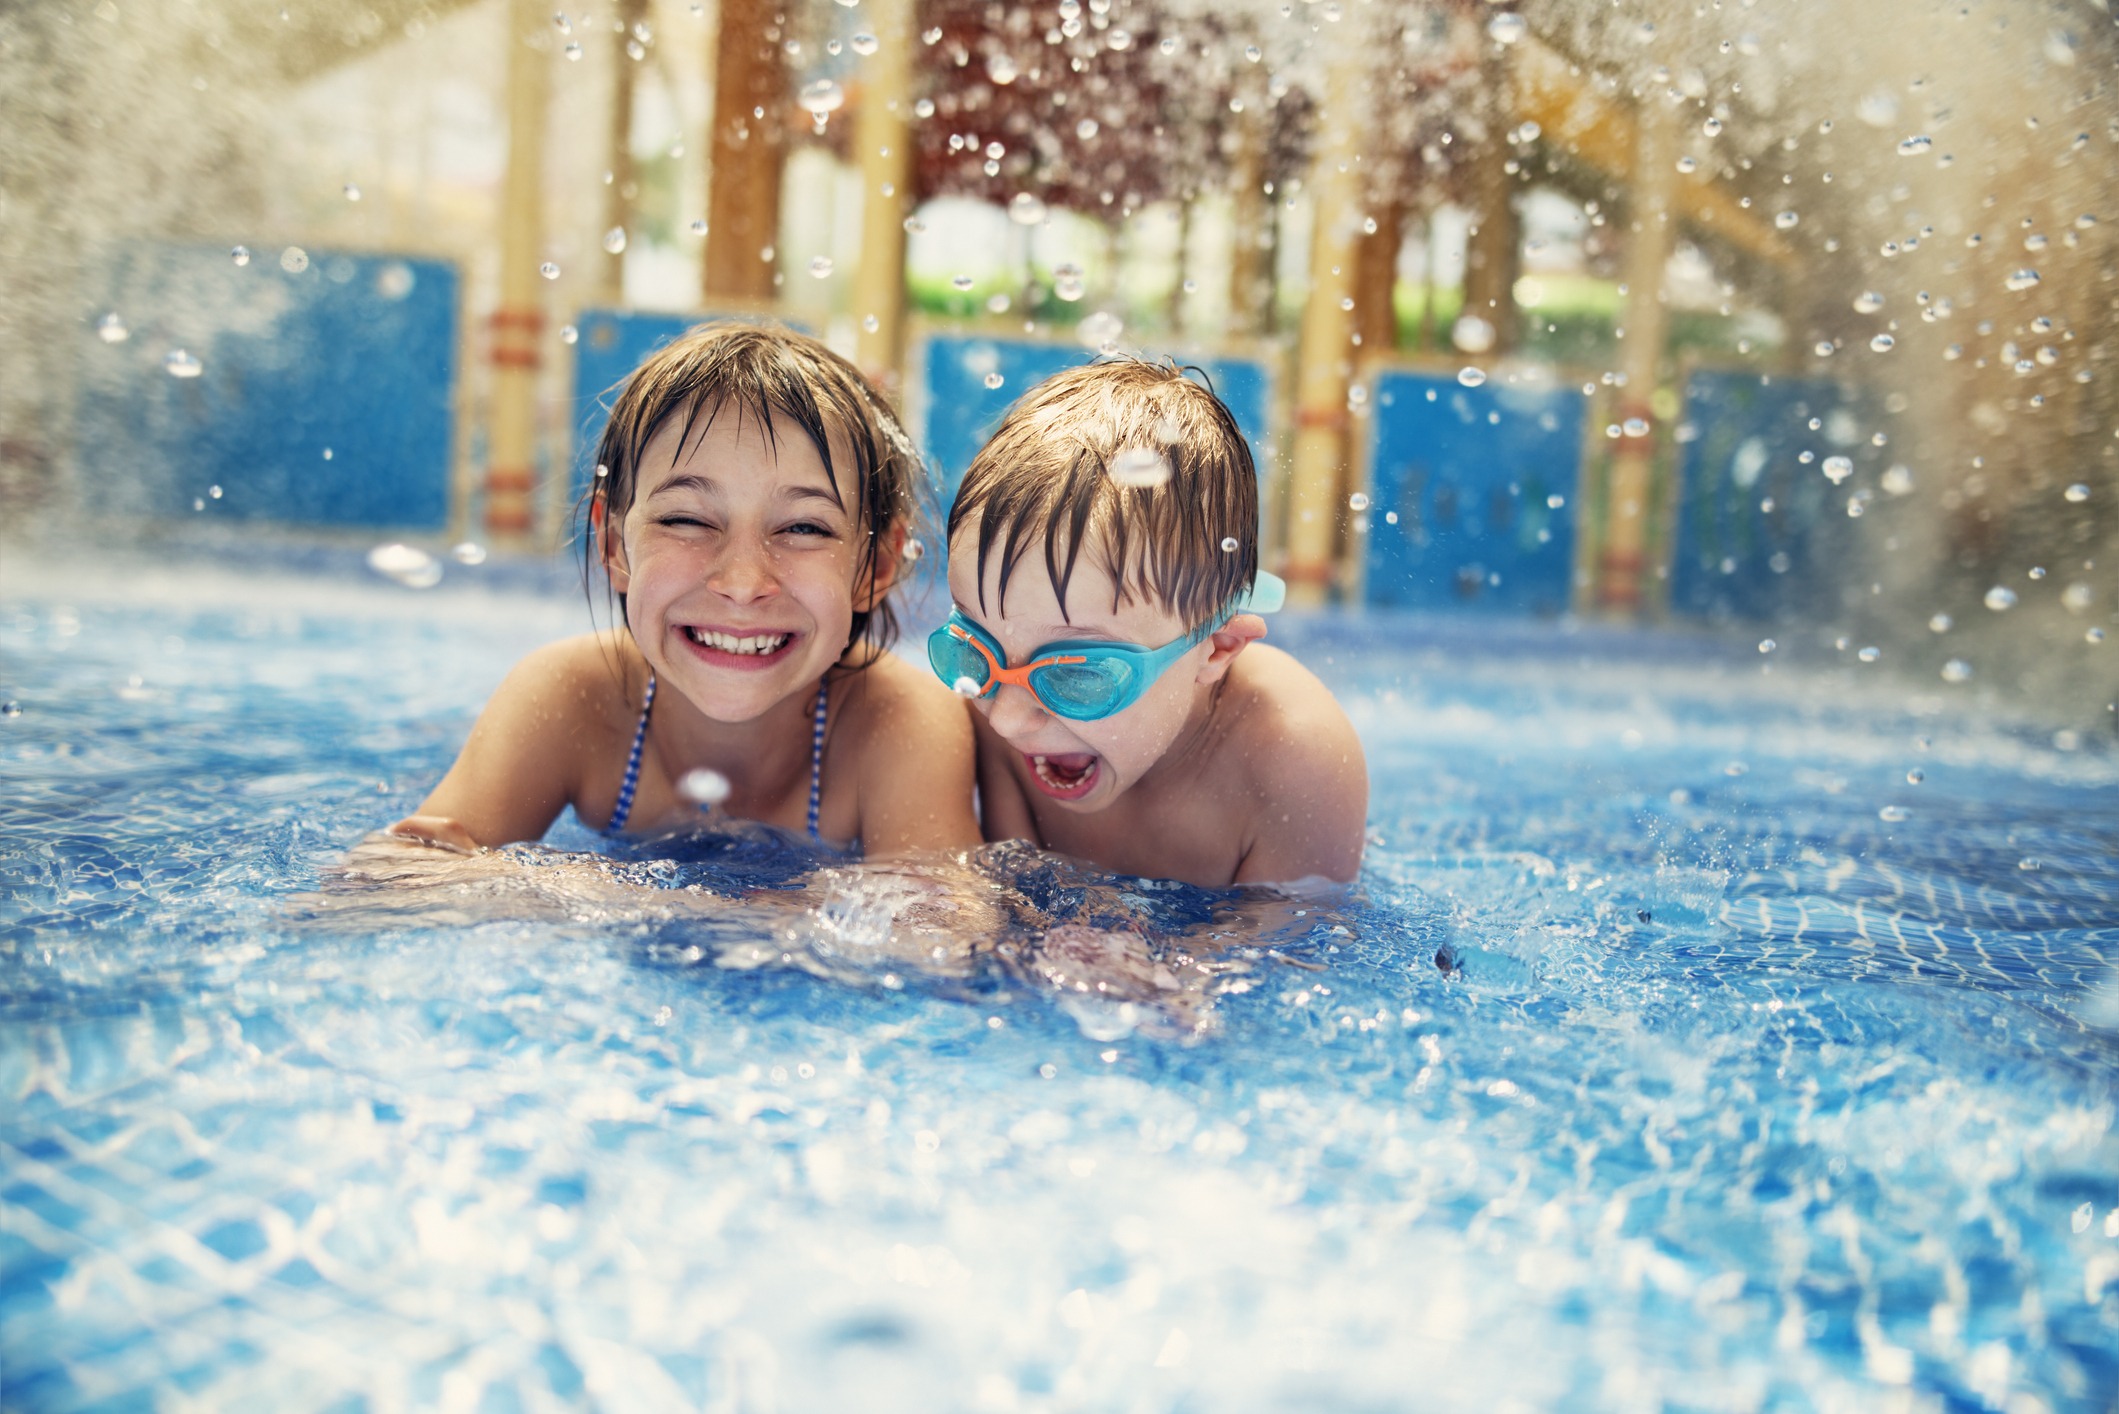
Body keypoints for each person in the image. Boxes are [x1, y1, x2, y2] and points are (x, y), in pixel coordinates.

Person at [389, 322, 980, 857]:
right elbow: (400, 876)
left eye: (804, 528)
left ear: (874, 567)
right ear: (616, 547)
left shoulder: (899, 724)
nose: (744, 584)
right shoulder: (572, 700)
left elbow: (941, 935)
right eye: (687, 520)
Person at [932, 358, 1367, 889]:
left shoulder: (1294, 761)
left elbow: (1286, 957)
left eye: (1076, 673)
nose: (1006, 720)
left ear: (1216, 646)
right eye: (974, 647)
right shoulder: (992, 697)